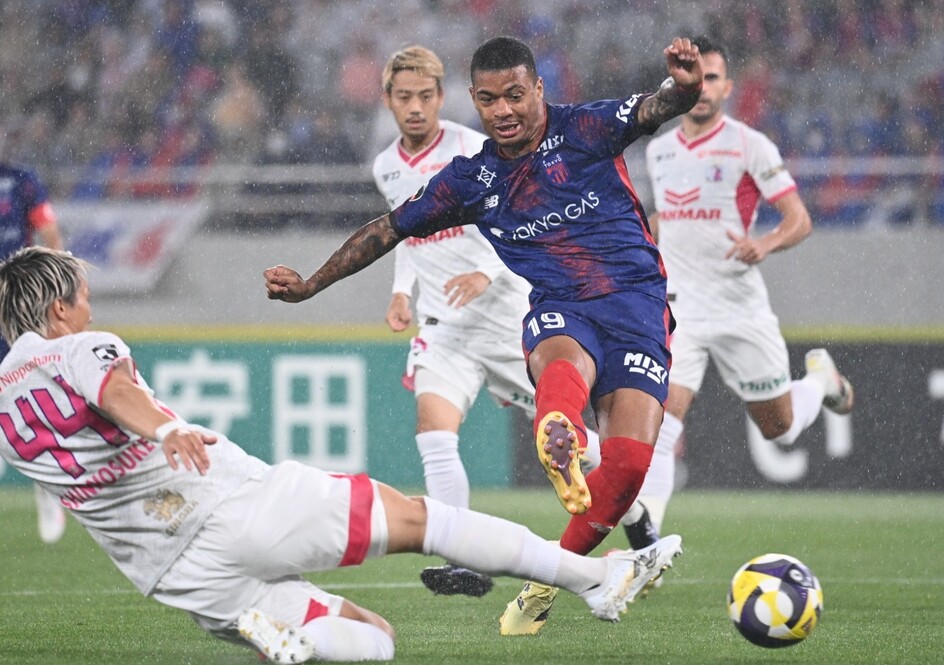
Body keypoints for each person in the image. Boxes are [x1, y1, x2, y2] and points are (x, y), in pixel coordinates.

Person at [0, 246, 683, 664]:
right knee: (421, 519)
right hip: (231, 506)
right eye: (83, 301)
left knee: (373, 637)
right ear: (57, 310)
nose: (90, 312)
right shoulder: (80, 348)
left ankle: (289, 640)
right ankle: (594, 580)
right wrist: (164, 429)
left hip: (176, 576)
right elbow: (116, 390)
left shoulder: (6, 404)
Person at [264, 35, 704, 635]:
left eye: (515, 96)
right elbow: (388, 229)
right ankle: (561, 432)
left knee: (627, 467)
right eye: (490, 100)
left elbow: (657, 107)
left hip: (638, 308)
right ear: (474, 99)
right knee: (560, 365)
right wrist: (312, 283)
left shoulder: (586, 128)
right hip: (559, 310)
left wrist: (685, 86)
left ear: (539, 89)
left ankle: (543, 585)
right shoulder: (473, 178)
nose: (504, 111)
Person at [637, 36, 855, 542]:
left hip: (738, 306)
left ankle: (820, 383)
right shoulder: (659, 150)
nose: (703, 88)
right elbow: (668, 217)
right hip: (679, 308)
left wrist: (766, 243)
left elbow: (799, 220)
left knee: (779, 427)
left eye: (713, 78)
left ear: (727, 87)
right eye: (696, 79)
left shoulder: (749, 145)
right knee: (662, 423)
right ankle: (648, 549)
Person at [373, 45, 558, 598]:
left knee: (563, 435)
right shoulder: (385, 167)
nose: (415, 107)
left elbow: (519, 215)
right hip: (444, 326)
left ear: (440, 97)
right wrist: (401, 292)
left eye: (424, 96)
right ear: (388, 100)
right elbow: (408, 231)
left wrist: (484, 272)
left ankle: (637, 509)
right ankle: (462, 559)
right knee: (434, 434)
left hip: (502, 317)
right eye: (404, 97)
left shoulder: (472, 147)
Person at [0, 157, 67, 545]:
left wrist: (54, 286)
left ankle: (47, 485)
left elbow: (50, 232)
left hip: (16, 305)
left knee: (33, 397)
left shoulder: (21, 180)